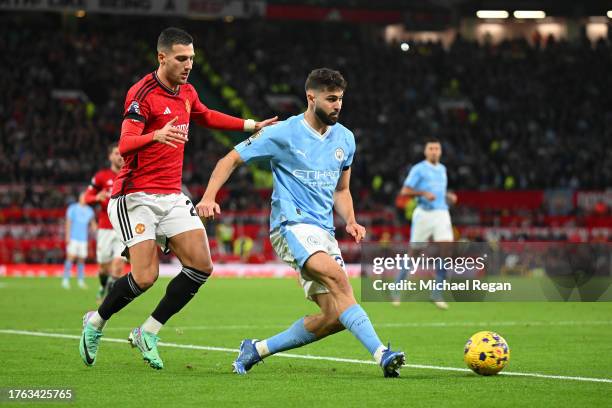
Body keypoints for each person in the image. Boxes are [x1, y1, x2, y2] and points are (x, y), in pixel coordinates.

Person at [78, 27, 277, 369]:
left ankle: (149, 332)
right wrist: (156, 134)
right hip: (134, 195)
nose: (188, 65)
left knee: (202, 266)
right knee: (145, 277)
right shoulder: (142, 94)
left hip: (171, 195)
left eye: (192, 59)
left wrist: (251, 124)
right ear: (162, 57)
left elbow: (205, 115)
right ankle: (95, 322)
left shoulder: (187, 91)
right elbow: (125, 146)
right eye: (182, 59)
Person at [197, 68, 405, 377]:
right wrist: (208, 196)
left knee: (334, 315)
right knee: (338, 279)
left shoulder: (345, 139)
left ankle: (256, 349)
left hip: (323, 232)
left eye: (341, 99)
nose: (337, 105)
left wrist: (351, 219)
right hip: (290, 225)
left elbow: (342, 189)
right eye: (331, 99)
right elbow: (230, 159)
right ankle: (382, 354)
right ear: (311, 97)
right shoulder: (283, 133)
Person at [394, 138, 457, 309]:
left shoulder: (443, 169)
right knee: (414, 253)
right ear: (425, 151)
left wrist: (447, 196)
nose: (434, 151)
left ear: (441, 151)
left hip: (441, 213)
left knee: (446, 251)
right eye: (431, 148)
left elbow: (438, 192)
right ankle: (397, 290)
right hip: (423, 214)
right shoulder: (419, 169)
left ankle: (437, 293)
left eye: (437, 148)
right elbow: (405, 191)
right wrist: (423, 193)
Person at [84, 143, 125, 304]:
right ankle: (103, 286)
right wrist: (96, 198)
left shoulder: (130, 174)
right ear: (110, 156)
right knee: (103, 269)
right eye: (116, 153)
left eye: (122, 153)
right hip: (105, 228)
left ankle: (109, 299)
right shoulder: (101, 177)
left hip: (124, 228)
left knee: (118, 266)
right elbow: (86, 198)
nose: (120, 156)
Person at [62, 193, 96, 289]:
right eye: (83, 197)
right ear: (79, 198)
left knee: (81, 260)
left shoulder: (90, 211)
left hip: (83, 239)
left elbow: (93, 224)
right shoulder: (72, 208)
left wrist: (97, 231)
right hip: (73, 237)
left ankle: (80, 280)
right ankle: (65, 280)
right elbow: (68, 222)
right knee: (70, 258)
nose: (84, 199)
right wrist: (67, 236)